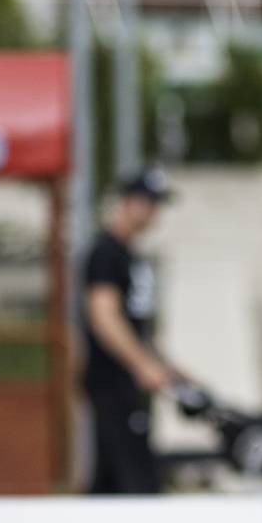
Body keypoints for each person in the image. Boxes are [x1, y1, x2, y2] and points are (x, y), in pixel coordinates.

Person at [82, 168, 177, 494]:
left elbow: (136, 326)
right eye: (148, 202)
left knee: (112, 480)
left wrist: (168, 367)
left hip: (131, 387)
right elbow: (103, 316)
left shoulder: (130, 255)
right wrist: (142, 365)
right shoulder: (106, 252)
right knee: (136, 479)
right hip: (113, 384)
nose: (154, 212)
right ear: (128, 202)